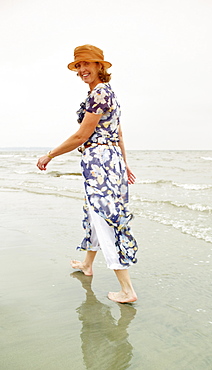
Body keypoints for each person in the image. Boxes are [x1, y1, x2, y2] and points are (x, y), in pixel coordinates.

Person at [37, 44, 138, 303]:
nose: (82, 69)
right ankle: (87, 265)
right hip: (108, 159)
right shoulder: (105, 93)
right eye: (78, 65)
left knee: (104, 218)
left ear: (99, 66)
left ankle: (127, 289)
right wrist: (123, 164)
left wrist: (50, 154)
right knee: (94, 214)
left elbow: (83, 135)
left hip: (101, 162)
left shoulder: (99, 94)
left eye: (87, 64)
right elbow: (119, 134)